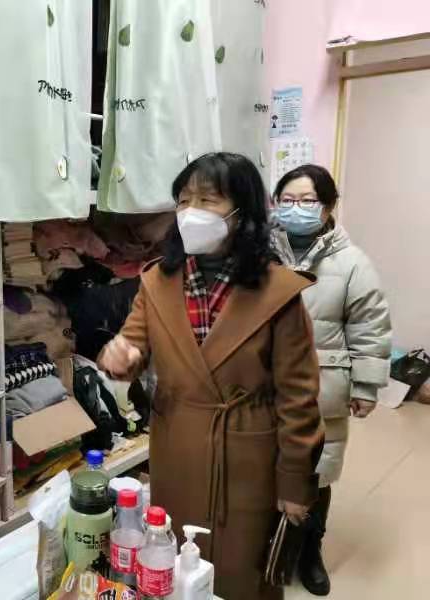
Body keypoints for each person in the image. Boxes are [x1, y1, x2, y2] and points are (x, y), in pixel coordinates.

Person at [98, 153, 324, 600]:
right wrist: (119, 356)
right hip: (177, 446)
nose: (191, 212)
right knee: (171, 564)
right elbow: (132, 344)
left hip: (248, 453)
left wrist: (295, 483)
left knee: (242, 573)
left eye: (208, 200)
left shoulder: (279, 293)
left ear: (242, 213)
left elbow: (298, 398)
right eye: (184, 200)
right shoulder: (157, 282)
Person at [271, 164, 391, 596]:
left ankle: (310, 551)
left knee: (316, 473)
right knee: (265, 466)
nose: (297, 209)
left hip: (323, 387)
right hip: (263, 383)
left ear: (329, 206)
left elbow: (370, 326)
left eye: (308, 201)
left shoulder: (352, 262)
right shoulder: (259, 253)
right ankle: (270, 547)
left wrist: (366, 386)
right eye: (288, 200)